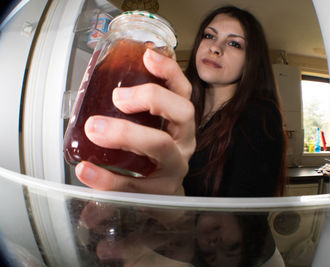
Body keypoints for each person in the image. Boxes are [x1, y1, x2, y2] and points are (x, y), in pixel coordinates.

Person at [74, 5, 287, 198]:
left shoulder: (261, 115)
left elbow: (245, 217)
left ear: (252, 59)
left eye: (234, 43)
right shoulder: (175, 108)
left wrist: (176, 211)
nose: (215, 47)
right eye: (209, 36)